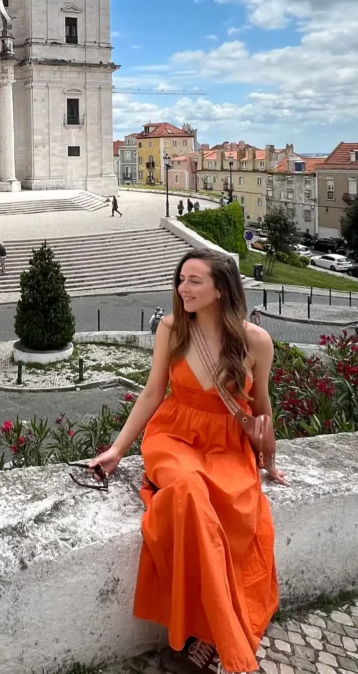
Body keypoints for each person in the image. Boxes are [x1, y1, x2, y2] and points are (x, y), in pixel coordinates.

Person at [90, 248, 286, 674]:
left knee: (236, 512)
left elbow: (260, 403)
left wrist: (267, 455)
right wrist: (118, 448)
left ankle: (209, 633)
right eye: (181, 279)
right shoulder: (172, 328)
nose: (183, 288)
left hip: (227, 445)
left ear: (220, 289)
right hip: (174, 437)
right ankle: (213, 636)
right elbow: (151, 393)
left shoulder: (256, 342)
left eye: (194, 280)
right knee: (191, 495)